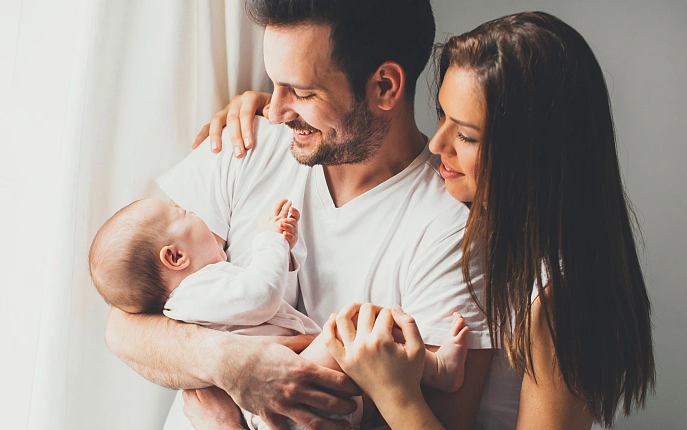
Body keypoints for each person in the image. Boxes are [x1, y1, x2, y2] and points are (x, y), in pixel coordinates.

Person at [208, 10, 656, 430]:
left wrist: (393, 390)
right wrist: (298, 107)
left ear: (533, 155)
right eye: (442, 115)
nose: (438, 144)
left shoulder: (559, 298)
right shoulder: (488, 226)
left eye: (465, 134)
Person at [104, 1, 501, 429]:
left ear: (385, 86)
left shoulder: (450, 233)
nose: (274, 112)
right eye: (274, 85)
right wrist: (231, 362)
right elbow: (123, 325)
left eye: (302, 92)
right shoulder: (244, 142)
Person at [90, 197, 472, 429]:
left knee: (371, 366)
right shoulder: (194, 293)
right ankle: (438, 371)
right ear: (175, 256)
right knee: (354, 327)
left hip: (291, 404)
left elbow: (270, 302)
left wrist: (284, 249)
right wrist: (269, 240)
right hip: (281, 410)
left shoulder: (207, 292)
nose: (196, 213)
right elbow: (261, 296)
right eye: (183, 212)